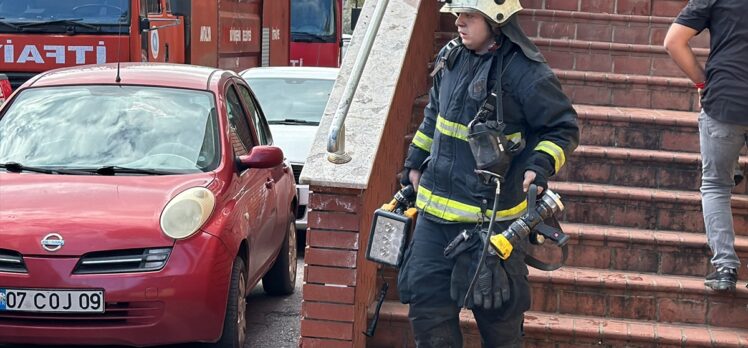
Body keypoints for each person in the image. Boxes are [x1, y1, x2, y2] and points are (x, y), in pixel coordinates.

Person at [396, 0, 579, 346]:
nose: (459, 22)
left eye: (469, 15)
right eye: (457, 14)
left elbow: (562, 128)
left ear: (496, 19)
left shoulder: (526, 72)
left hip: (492, 228)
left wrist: (538, 166)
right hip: (434, 221)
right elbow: (434, 117)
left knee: (500, 326)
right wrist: (416, 160)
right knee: (428, 317)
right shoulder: (451, 56)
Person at [664, 0, 748, 291]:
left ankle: (725, 268)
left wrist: (703, 82)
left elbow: (674, 41)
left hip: (726, 99)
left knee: (715, 185)